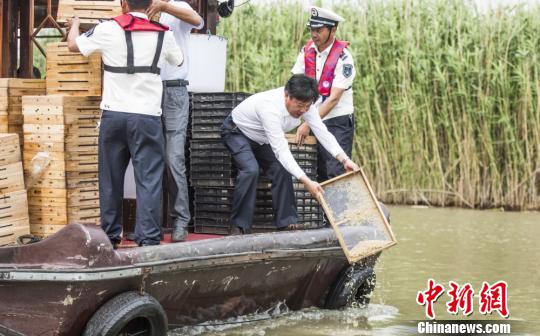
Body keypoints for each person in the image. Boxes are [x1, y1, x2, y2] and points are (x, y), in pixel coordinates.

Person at [66, 0, 184, 247]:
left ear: (123, 3)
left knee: (110, 179)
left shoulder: (107, 29)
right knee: (149, 180)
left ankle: (110, 237)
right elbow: (179, 61)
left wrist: (75, 25)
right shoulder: (164, 34)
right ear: (152, 4)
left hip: (113, 115)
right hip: (147, 117)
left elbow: (73, 46)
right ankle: (148, 239)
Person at [221, 74, 359, 234]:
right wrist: (307, 181)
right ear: (287, 95)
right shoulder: (269, 108)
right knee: (250, 170)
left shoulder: (306, 105)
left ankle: (287, 222)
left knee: (282, 170)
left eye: (307, 107)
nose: (303, 111)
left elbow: (323, 132)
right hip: (237, 132)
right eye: (300, 105)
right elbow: (281, 151)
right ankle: (239, 226)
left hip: (262, 138)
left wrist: (344, 159)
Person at [146, 0, 203, 242]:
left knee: (174, 158)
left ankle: (181, 219)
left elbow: (197, 21)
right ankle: (150, 223)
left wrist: (163, 7)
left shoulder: (176, 6)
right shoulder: (141, 9)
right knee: (149, 160)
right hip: (146, 89)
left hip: (174, 90)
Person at [292, 6, 356, 182]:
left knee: (334, 174)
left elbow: (334, 99)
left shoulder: (344, 58)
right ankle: (321, 211)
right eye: (312, 29)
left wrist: (309, 124)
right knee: (317, 174)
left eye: (319, 30)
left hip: (337, 122)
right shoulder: (306, 52)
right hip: (312, 118)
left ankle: (338, 211)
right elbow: (294, 86)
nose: (314, 34)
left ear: (333, 30)